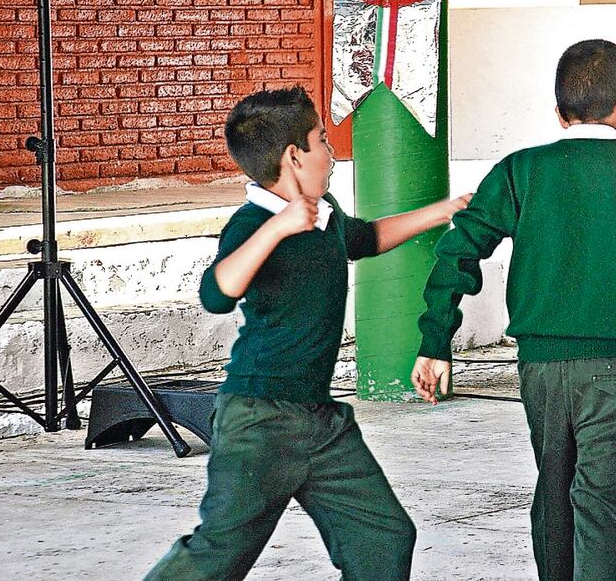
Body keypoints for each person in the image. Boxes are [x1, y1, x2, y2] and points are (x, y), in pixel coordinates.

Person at [411, 39, 616, 580]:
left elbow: (458, 248)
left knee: (554, 494)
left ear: (559, 113)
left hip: (540, 370)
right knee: (607, 509)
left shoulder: (520, 171)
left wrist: (437, 341)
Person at [146, 86, 470, 580]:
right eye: (323, 140)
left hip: (322, 424)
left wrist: (447, 209)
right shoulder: (252, 223)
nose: (332, 152)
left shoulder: (327, 213)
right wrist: (279, 228)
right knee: (217, 556)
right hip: (260, 420)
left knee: (383, 538)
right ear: (294, 157)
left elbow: (367, 238)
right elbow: (217, 293)